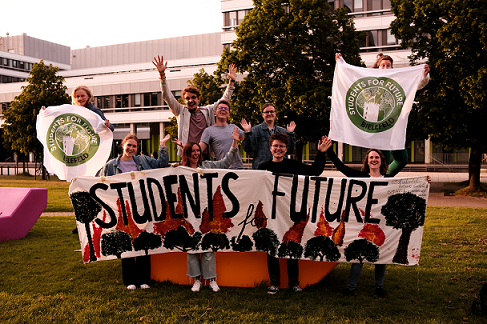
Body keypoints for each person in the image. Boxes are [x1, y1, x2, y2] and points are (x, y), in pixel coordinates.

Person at [326, 146, 431, 298]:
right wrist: (328, 150)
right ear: (367, 161)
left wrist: (424, 181)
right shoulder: (361, 177)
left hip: (381, 224)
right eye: (371, 158)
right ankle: (350, 288)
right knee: (359, 257)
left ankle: (379, 288)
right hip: (363, 224)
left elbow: (407, 187)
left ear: (381, 160)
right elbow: (342, 167)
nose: (374, 160)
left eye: (377, 157)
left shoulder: (388, 179)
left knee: (381, 256)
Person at [258, 133, 332, 294]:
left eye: (281, 146)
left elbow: (315, 171)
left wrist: (321, 153)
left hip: (290, 214)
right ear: (270, 148)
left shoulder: (293, 165)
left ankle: (294, 283)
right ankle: (274, 283)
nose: (278, 149)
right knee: (272, 249)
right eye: (275, 146)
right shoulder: (262, 167)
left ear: (286, 149)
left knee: (291, 247)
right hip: (271, 215)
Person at [100, 133, 170, 290]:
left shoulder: (143, 160)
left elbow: (161, 164)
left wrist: (163, 146)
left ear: (137, 148)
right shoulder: (111, 165)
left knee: (144, 240)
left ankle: (144, 279)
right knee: (126, 242)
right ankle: (130, 280)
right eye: (129, 145)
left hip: (143, 207)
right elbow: (101, 183)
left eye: (134, 146)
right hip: (123, 209)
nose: (131, 148)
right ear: (122, 145)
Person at [175, 126, 241, 292]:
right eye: (193, 151)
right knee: (191, 246)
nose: (196, 154)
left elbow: (226, 162)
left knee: (209, 245)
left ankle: (211, 279)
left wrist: (234, 142)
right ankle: (196, 279)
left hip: (207, 212)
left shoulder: (209, 165)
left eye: (198, 150)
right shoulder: (179, 169)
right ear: (187, 154)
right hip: (189, 213)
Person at [152, 55, 237, 156]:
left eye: (193, 97)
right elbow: (167, 96)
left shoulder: (208, 111)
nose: (190, 100)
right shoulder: (180, 111)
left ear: (198, 99)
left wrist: (231, 82)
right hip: (186, 153)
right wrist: (162, 75)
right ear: (184, 101)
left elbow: (224, 100)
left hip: (204, 154)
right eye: (187, 98)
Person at [241, 102, 297, 169]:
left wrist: (290, 134)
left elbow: (290, 151)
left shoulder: (283, 131)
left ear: (275, 114)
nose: (269, 114)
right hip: (261, 170)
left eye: (271, 111)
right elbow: (248, 150)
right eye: (267, 112)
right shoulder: (255, 130)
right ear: (262, 114)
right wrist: (247, 133)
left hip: (279, 169)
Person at [199, 100, 245, 169]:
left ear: (229, 114)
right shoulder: (209, 131)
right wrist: (186, 148)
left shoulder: (234, 127)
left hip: (239, 168)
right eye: (220, 108)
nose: (223, 109)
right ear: (215, 112)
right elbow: (199, 149)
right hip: (223, 169)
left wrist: (248, 131)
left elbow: (248, 140)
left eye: (226, 108)